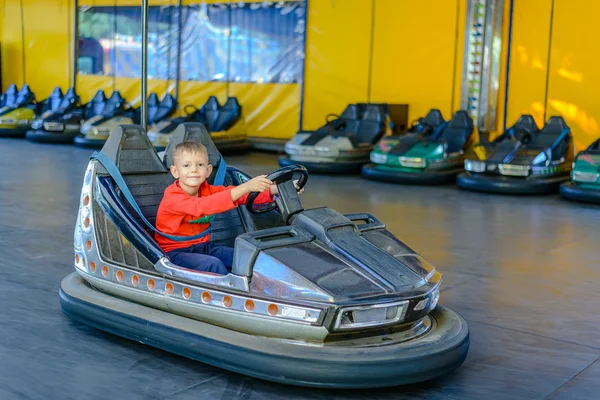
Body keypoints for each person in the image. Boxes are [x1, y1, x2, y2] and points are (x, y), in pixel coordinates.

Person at [155, 140, 300, 275]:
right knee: (213, 264)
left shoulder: (208, 190)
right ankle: (233, 296)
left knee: (246, 257)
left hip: (204, 247)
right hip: (174, 252)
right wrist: (245, 186)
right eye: (186, 166)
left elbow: (241, 195)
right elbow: (202, 206)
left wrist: (279, 189)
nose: (194, 170)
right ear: (175, 171)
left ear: (208, 170)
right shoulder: (173, 197)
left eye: (199, 165)